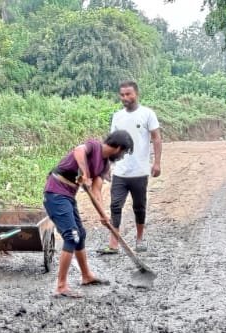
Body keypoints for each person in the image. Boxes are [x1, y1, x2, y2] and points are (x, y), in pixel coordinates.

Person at [44, 130, 133, 297]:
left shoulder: (105, 165)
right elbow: (78, 151)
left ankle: (86, 276)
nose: (122, 156)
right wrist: (85, 173)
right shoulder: (94, 146)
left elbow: (96, 191)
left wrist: (103, 214)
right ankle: (61, 286)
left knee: (81, 234)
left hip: (68, 196)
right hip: (55, 193)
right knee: (72, 236)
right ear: (119, 147)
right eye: (123, 152)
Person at [104, 80, 161, 254]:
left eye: (128, 94)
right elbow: (110, 143)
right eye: (122, 95)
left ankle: (139, 238)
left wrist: (157, 162)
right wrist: (106, 166)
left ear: (136, 94)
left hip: (140, 171)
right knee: (115, 205)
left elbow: (156, 138)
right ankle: (114, 243)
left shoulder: (147, 114)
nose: (125, 98)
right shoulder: (117, 116)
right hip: (120, 171)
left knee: (139, 206)